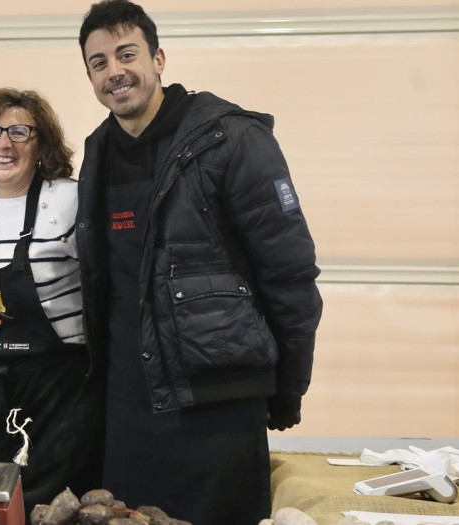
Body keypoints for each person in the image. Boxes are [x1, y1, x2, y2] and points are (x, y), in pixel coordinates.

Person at [74, 1, 324, 523]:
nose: (114, 72)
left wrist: (287, 389)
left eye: (127, 54)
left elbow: (290, 273)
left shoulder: (230, 138)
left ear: (159, 58)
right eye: (99, 63)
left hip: (217, 401)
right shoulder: (98, 148)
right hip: (129, 402)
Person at [0, 88, 105, 514]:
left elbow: (106, 288)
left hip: (59, 396)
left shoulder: (70, 200)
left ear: (42, 145)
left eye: (20, 132)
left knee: (54, 510)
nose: (4, 144)